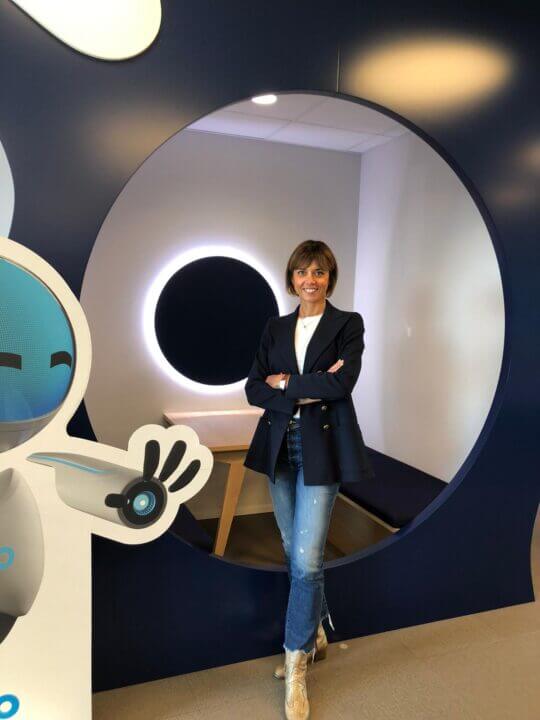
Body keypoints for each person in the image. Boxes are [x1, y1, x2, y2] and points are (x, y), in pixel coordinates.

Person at [244, 240, 374, 720]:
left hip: (323, 448)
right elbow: (252, 388)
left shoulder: (348, 324)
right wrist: (306, 386)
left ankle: (296, 665)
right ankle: (316, 631)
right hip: (280, 445)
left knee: (305, 559)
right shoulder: (275, 328)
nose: (310, 280)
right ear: (292, 278)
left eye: (318, 272)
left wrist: (284, 383)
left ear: (329, 278)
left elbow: (342, 384)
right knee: (291, 547)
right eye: (302, 272)